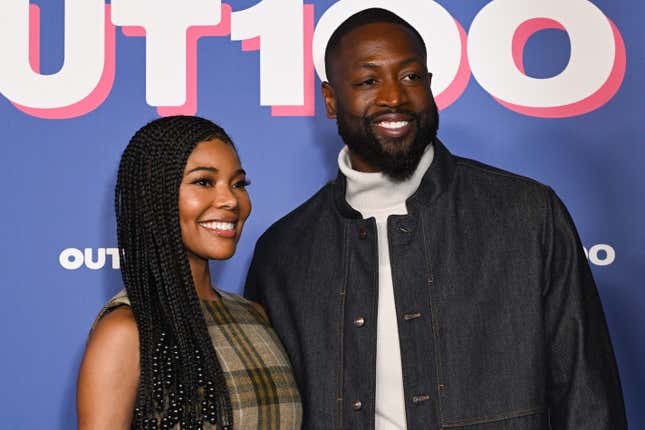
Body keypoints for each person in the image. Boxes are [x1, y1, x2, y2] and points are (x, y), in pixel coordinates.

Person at [244, 8, 626, 430]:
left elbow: (588, 401)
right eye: (369, 81)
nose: (394, 97)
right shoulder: (284, 252)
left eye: (411, 77)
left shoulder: (527, 214)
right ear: (331, 101)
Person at [77, 116, 302, 430]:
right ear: (154, 195)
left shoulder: (254, 315)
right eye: (204, 182)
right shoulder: (127, 330)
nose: (230, 200)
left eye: (238, 184)